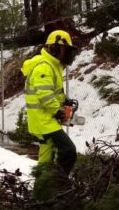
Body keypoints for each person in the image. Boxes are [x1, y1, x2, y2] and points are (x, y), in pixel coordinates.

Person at [21, 29, 79, 174]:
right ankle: (57, 183)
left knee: (46, 158)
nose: (68, 55)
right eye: (66, 50)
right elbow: (45, 94)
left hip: (45, 119)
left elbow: (52, 90)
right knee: (68, 150)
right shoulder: (44, 67)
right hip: (43, 120)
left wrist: (64, 100)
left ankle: (43, 188)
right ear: (55, 49)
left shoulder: (52, 65)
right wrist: (58, 111)